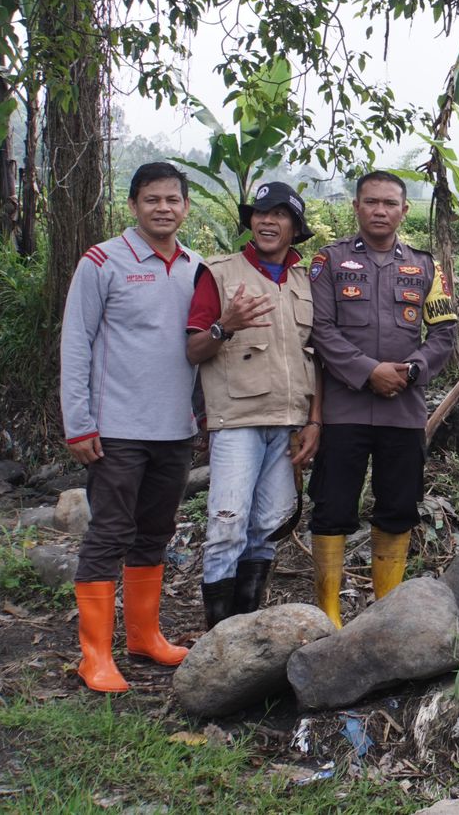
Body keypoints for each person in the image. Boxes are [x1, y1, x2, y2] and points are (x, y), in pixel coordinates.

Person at [60, 162, 201, 692]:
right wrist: (79, 423)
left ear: (186, 206)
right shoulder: (102, 262)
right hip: (116, 427)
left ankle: (144, 636)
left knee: (155, 532)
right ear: (133, 205)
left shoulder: (196, 266)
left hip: (175, 428)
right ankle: (94, 655)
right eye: (152, 200)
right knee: (109, 532)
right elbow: (76, 343)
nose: (163, 208)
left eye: (172, 200)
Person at [308, 171, 458, 626]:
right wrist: (367, 371)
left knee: (398, 506)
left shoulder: (425, 267)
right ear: (356, 206)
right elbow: (321, 329)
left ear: (403, 210)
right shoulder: (328, 262)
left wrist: (411, 371)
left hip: (403, 410)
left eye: (389, 203)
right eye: (371, 202)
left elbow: (445, 332)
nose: (379, 210)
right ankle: (328, 612)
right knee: (333, 507)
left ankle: (385, 610)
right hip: (343, 408)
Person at [186, 181, 322, 628]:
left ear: (295, 228)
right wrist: (225, 326)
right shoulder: (219, 273)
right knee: (227, 524)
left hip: (288, 424)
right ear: (251, 222)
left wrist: (314, 420)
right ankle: (216, 635)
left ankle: (243, 628)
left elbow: (316, 356)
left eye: (280, 214)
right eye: (261, 213)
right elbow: (193, 350)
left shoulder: (306, 281)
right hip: (237, 421)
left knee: (266, 526)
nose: (268, 221)